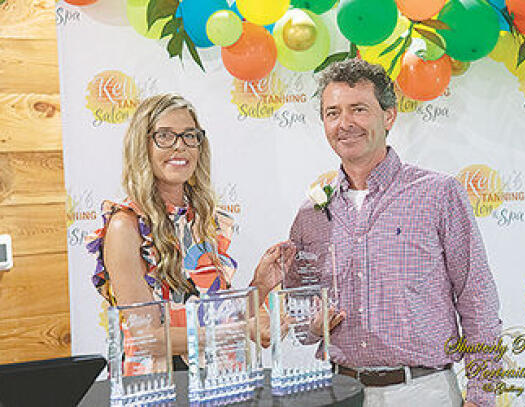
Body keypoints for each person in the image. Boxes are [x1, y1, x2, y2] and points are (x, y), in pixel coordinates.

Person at [284, 59, 501, 407]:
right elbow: (296, 313)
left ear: (389, 116)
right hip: (339, 390)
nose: (345, 124)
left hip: (423, 391)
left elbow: (478, 301)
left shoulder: (438, 193)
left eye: (359, 109)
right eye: (332, 112)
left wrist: (483, 395)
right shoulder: (312, 214)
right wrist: (311, 326)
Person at [86, 93, 293, 369]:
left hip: (215, 382)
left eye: (189, 136)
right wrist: (241, 331)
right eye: (165, 136)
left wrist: (262, 284)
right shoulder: (127, 224)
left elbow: (216, 319)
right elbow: (148, 337)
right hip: (159, 386)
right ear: (142, 145)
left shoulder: (203, 217)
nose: (180, 146)